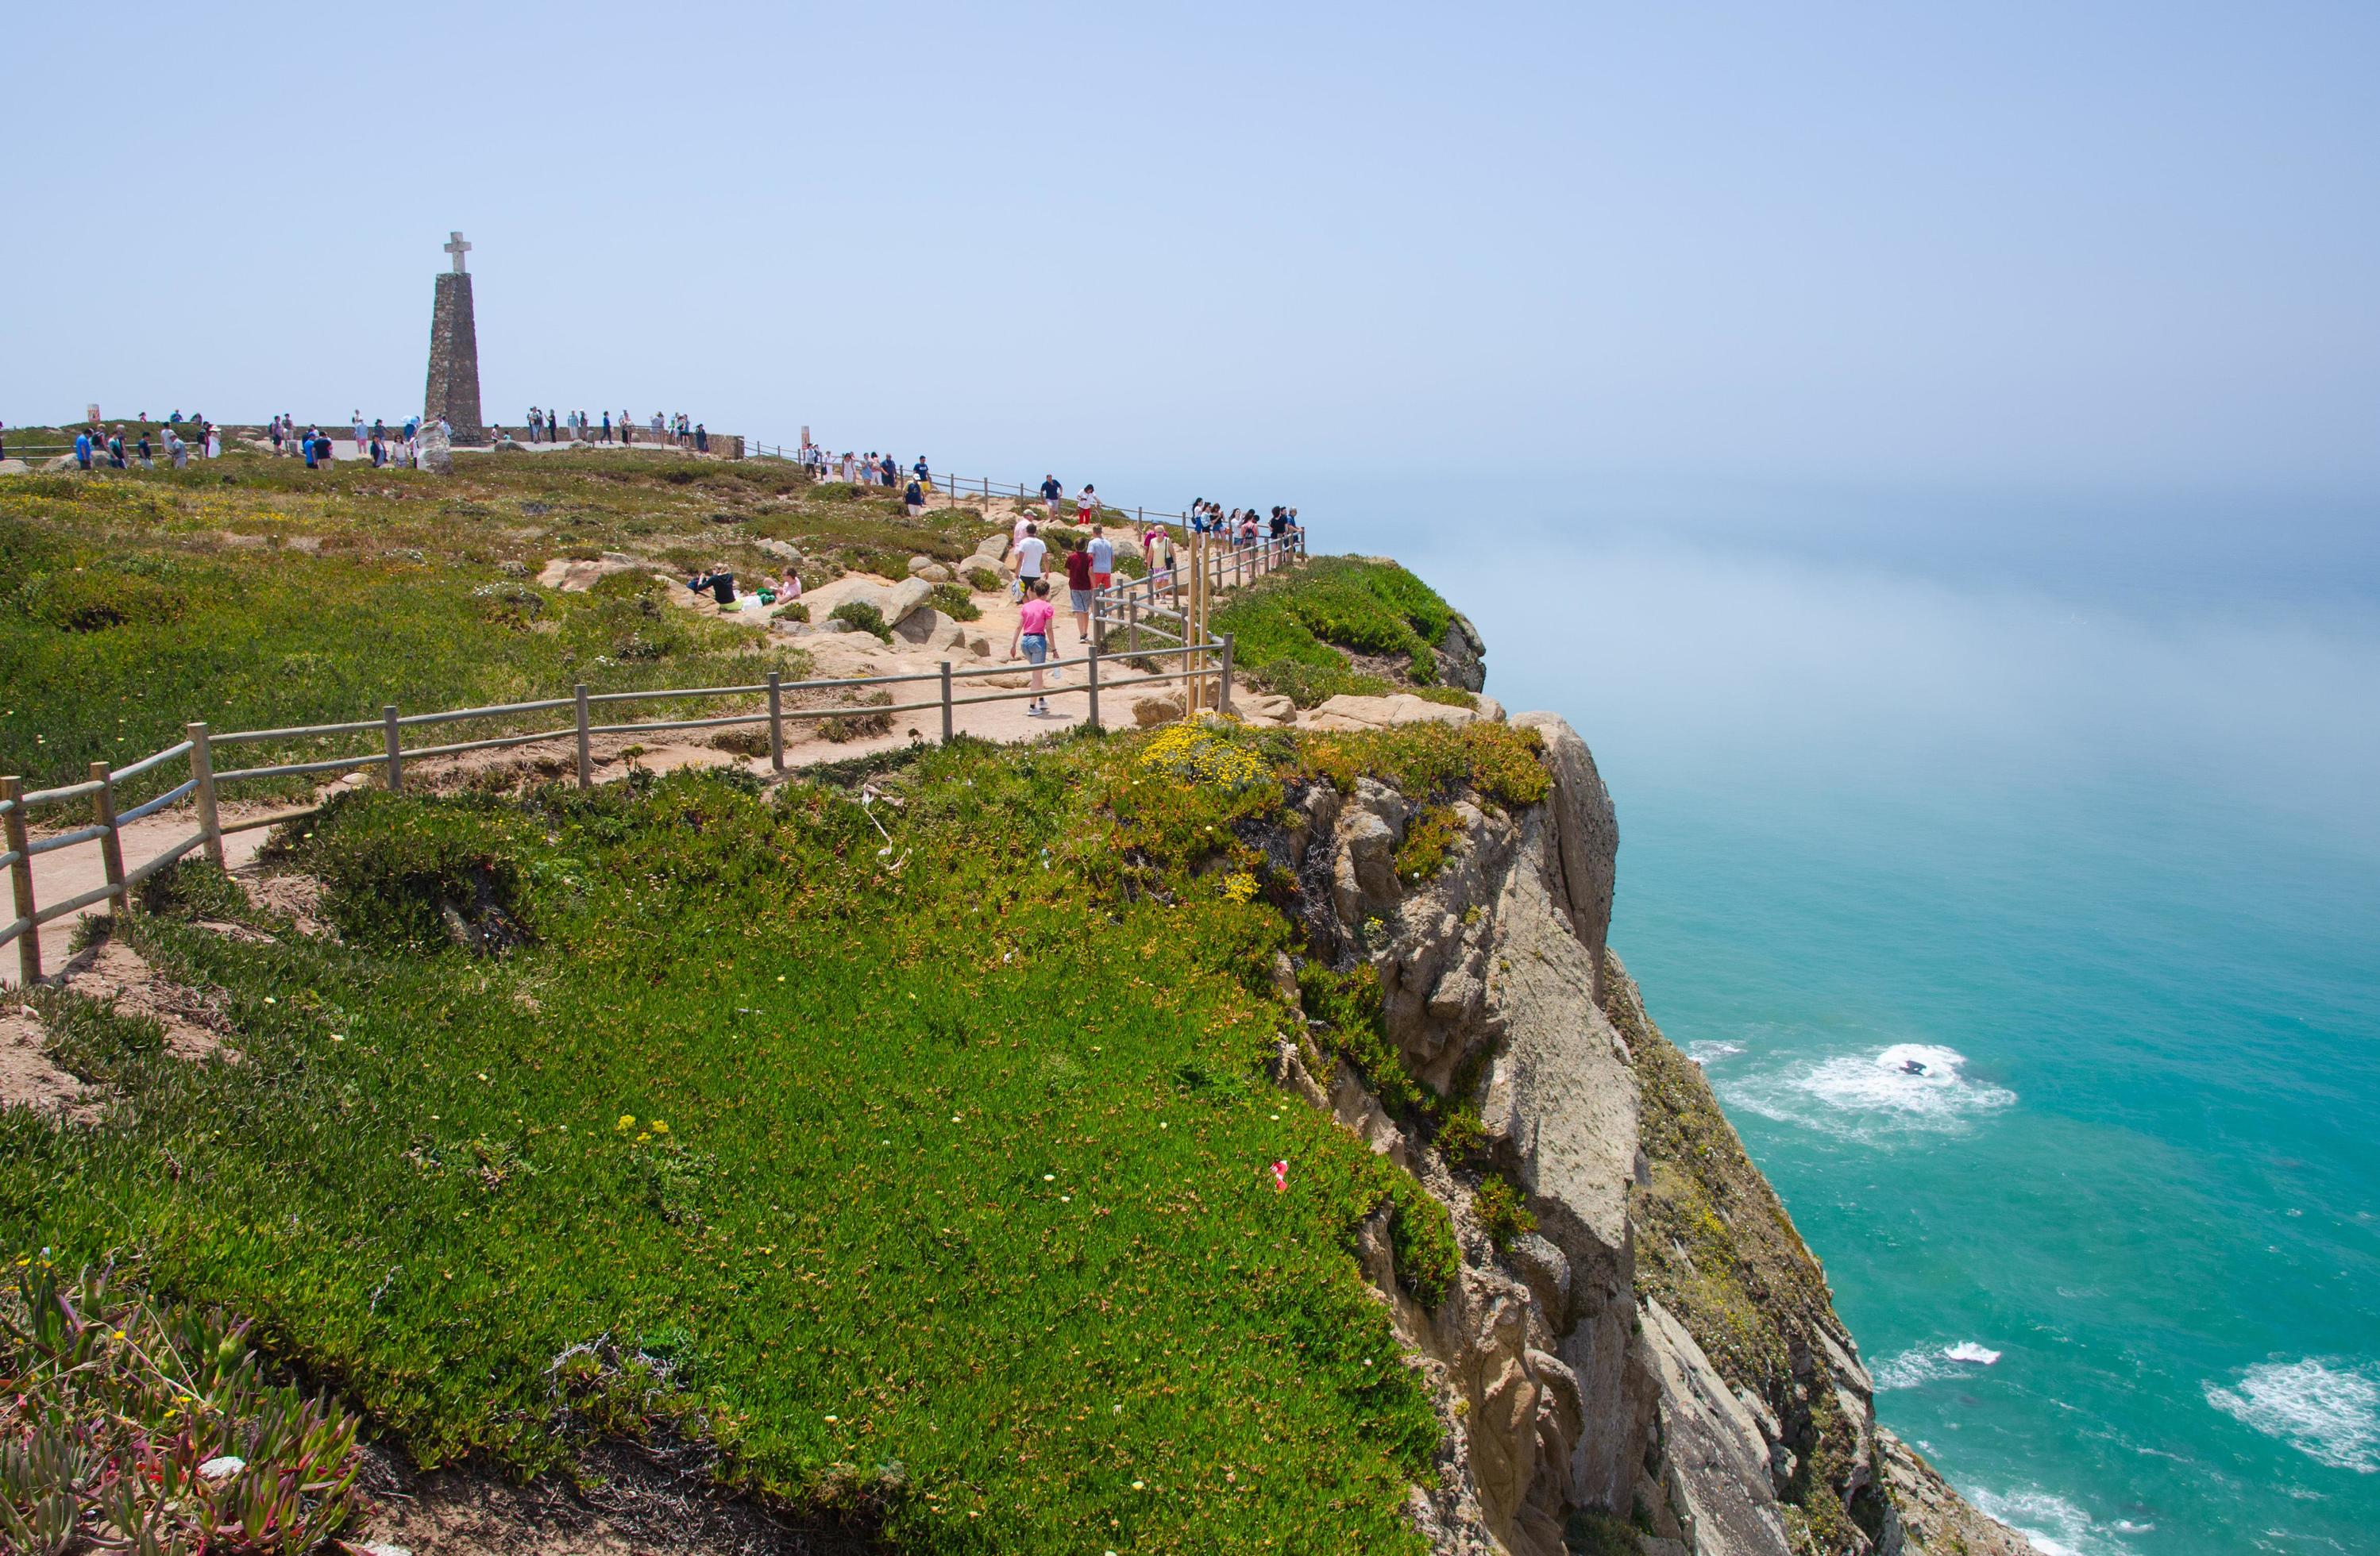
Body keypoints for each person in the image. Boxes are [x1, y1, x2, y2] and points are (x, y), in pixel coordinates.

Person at [1009, 579, 1058, 716]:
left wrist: (1013, 645)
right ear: (1047, 592)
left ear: (1035, 592)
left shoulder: (1026, 606)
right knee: (1037, 675)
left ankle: (1041, 699)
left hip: (1025, 641)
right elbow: (1049, 629)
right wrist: (1054, 649)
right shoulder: (1047, 607)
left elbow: (1019, 626)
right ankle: (1032, 706)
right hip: (1038, 641)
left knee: (1038, 672)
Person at [1064, 533, 1097, 645]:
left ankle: (1081, 634)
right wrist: (1094, 586)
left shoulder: (1071, 557)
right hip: (1086, 586)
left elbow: (1067, 573)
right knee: (1085, 610)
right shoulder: (1089, 558)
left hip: (1074, 586)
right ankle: (1085, 632)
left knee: (1078, 610)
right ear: (1085, 546)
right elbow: (1091, 572)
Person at [1013, 521, 1048, 603]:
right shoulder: (1041, 543)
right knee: (1034, 593)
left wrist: (1017, 572)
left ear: (1027, 531)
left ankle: (1027, 606)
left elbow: (1020, 559)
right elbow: (1045, 560)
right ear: (1035, 531)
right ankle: (1033, 609)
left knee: (1023, 593)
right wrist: (1047, 572)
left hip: (1025, 572)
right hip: (1036, 573)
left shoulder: (1023, 542)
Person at [1088, 523, 1114, 591]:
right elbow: (1112, 557)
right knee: (1108, 591)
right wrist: (1110, 568)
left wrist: (1089, 569)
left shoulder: (1092, 543)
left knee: (1093, 590)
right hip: (1107, 569)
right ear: (1101, 532)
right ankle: (1109, 602)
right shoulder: (1108, 543)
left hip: (1096, 569)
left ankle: (1094, 603)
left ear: (1094, 532)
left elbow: (1090, 556)